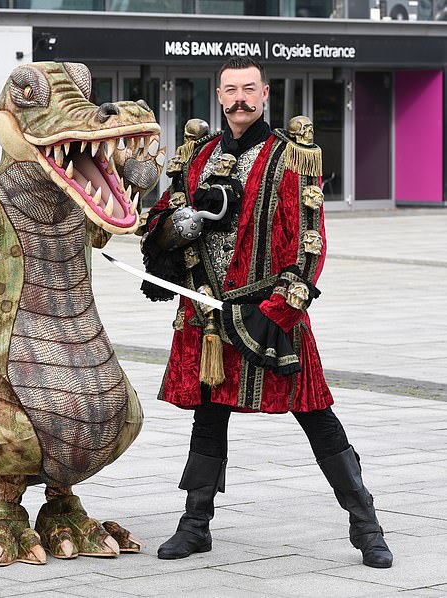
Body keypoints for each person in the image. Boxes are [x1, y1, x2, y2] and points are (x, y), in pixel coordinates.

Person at [139, 57, 393, 569]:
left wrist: (279, 309)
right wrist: (180, 223)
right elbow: (161, 225)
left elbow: (311, 240)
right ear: (218, 96)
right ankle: (195, 525)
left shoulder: (291, 157)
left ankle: (366, 526)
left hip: (272, 313)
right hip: (209, 318)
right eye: (230, 90)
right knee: (207, 420)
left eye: (248, 89)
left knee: (317, 416)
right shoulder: (196, 157)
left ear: (265, 94)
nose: (239, 99)